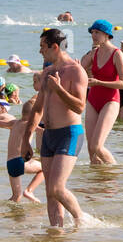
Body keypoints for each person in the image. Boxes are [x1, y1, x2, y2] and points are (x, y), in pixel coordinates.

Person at [34, 27, 87, 227]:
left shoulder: (75, 70)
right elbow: (38, 108)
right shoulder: (47, 71)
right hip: (49, 136)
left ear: (54, 47)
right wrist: (25, 139)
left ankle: (80, 219)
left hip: (69, 134)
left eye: (42, 46)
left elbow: (80, 106)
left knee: (57, 188)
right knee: (50, 192)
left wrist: (59, 89)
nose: (40, 51)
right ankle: (56, 232)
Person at [81, 19, 123, 165]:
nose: (93, 35)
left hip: (110, 100)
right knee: (90, 148)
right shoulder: (94, 53)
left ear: (107, 35)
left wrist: (99, 82)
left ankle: (114, 172)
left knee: (97, 146)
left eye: (97, 32)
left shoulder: (117, 54)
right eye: (92, 32)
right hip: (93, 99)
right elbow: (80, 68)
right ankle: (98, 183)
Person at [0, 83, 42, 202]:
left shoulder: (15, 123)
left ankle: (8, 215)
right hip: (21, 161)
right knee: (44, 169)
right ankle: (29, 191)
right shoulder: (30, 125)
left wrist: (10, 126)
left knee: (16, 197)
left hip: (10, 164)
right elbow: (43, 131)